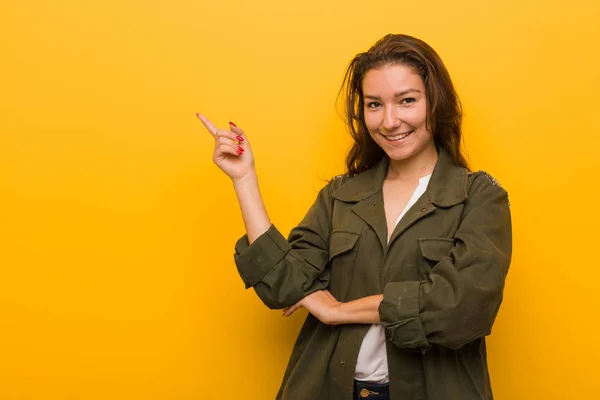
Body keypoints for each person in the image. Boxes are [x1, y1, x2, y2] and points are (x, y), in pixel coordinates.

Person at [197, 33, 512, 400]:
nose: (390, 121)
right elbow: (283, 285)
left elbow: (462, 308)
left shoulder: (479, 196)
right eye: (374, 104)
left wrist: (340, 311)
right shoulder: (341, 195)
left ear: (435, 104)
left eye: (407, 101)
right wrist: (244, 179)